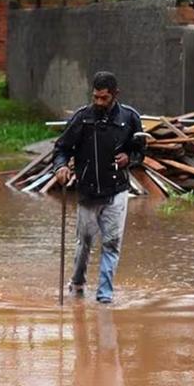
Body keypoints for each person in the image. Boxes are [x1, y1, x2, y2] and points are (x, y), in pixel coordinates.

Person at [53, 71, 145, 304]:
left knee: (112, 243)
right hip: (87, 192)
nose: (99, 103)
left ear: (115, 95)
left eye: (104, 98)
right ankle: (77, 283)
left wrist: (130, 158)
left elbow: (141, 151)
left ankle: (105, 296)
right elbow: (62, 148)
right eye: (95, 97)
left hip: (117, 191)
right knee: (83, 243)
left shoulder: (130, 118)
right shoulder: (82, 118)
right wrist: (61, 167)